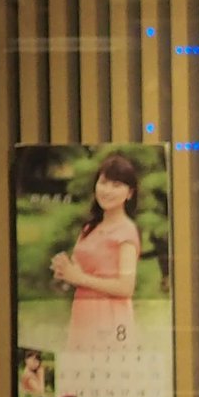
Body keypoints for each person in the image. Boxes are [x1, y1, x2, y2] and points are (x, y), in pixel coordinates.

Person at [52, 153, 142, 358]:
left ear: (129, 193)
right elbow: (80, 271)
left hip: (110, 317)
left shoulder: (126, 231)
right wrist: (65, 272)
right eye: (103, 182)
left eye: (116, 185)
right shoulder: (89, 228)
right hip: (83, 313)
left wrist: (79, 278)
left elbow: (126, 287)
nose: (107, 190)